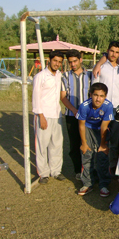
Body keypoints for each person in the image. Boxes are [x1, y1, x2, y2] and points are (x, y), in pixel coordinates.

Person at [32, 51, 65, 184]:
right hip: (43, 115)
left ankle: (55, 170)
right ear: (49, 60)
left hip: (56, 114)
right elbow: (35, 97)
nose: (57, 64)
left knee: (56, 143)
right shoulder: (40, 76)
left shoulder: (59, 75)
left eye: (59, 62)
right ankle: (43, 173)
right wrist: (41, 116)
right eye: (55, 60)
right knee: (42, 144)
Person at [92, 41, 119, 176]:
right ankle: (99, 169)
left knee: (115, 141)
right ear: (107, 51)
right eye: (111, 51)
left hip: (117, 108)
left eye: (117, 52)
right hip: (102, 108)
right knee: (100, 140)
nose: (113, 54)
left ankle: (113, 168)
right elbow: (93, 88)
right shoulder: (100, 67)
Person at [77, 83, 113, 197]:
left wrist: (102, 145)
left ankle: (104, 184)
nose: (98, 99)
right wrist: (84, 143)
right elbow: (81, 125)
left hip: (101, 129)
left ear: (105, 96)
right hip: (87, 128)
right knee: (87, 153)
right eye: (96, 95)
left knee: (102, 155)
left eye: (101, 96)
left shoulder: (108, 106)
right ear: (90, 95)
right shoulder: (84, 106)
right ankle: (87, 183)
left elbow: (104, 126)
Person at [61, 49, 92, 180]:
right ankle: (78, 171)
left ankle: (89, 170)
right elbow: (63, 97)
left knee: (88, 142)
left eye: (75, 61)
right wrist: (74, 110)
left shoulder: (90, 75)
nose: (73, 64)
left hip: (88, 116)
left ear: (80, 60)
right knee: (74, 144)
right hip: (71, 115)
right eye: (70, 62)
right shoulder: (65, 76)